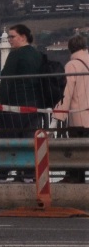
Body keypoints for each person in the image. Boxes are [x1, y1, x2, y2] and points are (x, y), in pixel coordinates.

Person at [0, 24, 42, 181]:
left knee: (8, 142)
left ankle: (2, 176)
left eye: (12, 36)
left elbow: (6, 82)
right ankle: (28, 175)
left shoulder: (15, 55)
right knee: (29, 142)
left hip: (14, 106)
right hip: (34, 105)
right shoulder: (37, 54)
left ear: (23, 37)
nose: (9, 40)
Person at [53, 34, 89, 183]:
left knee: (76, 149)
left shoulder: (72, 65)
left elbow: (65, 94)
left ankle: (75, 176)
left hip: (79, 117)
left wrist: (57, 117)